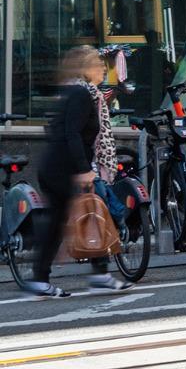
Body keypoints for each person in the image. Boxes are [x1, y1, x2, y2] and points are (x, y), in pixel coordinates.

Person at [25, 47, 133, 297]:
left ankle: (98, 273)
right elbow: (71, 134)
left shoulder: (80, 93)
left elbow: (57, 131)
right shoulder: (81, 95)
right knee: (77, 218)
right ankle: (44, 278)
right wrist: (83, 169)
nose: (102, 68)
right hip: (63, 170)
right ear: (84, 69)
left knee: (91, 214)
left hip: (62, 167)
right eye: (96, 64)